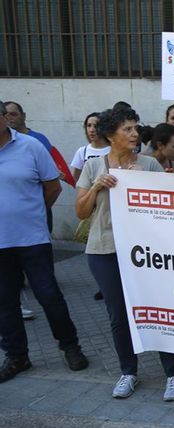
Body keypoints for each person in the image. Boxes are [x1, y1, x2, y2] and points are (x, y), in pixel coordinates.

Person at [73, 107, 174, 400]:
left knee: (160, 309)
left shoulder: (149, 165)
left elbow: (172, 208)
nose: (135, 134)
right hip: (104, 250)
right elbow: (81, 211)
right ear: (111, 135)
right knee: (118, 314)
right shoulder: (94, 167)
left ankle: (173, 374)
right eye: (128, 130)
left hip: (147, 253)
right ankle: (128, 371)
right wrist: (97, 187)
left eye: (136, 128)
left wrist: (147, 184)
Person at [0, 99, 89, 383]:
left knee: (49, 295)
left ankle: (70, 347)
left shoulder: (30, 146)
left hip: (32, 239)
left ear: (4, 119)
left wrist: (34, 213)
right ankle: (17, 356)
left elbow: (52, 187)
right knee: (5, 302)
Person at [70, 112, 111, 181]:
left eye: (96, 126)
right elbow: (76, 178)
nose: (91, 130)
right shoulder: (82, 151)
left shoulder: (113, 149)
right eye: (89, 126)